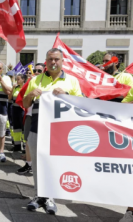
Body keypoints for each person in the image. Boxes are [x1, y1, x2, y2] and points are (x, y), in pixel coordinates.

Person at [23, 48, 82, 215]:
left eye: (56, 59)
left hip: (60, 132)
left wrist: (66, 95)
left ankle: (50, 197)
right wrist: (31, 94)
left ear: (62, 61)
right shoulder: (36, 80)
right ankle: (39, 195)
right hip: (37, 129)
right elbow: (26, 104)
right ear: (46, 61)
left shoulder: (72, 81)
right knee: (36, 164)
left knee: (54, 165)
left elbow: (81, 105)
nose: (53, 62)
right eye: (50, 59)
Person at [102, 52, 133, 222]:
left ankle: (130, 211)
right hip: (110, 129)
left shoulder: (126, 77)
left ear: (115, 62)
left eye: (107, 61)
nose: (104, 63)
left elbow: (128, 100)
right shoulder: (100, 78)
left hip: (124, 127)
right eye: (103, 61)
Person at [10, 74, 27, 153]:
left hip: (22, 109)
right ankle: (17, 146)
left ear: (23, 79)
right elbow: (10, 98)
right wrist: (13, 88)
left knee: (23, 127)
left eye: (18, 79)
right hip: (15, 109)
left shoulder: (26, 88)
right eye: (16, 79)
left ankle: (24, 145)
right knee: (16, 127)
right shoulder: (15, 88)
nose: (17, 81)